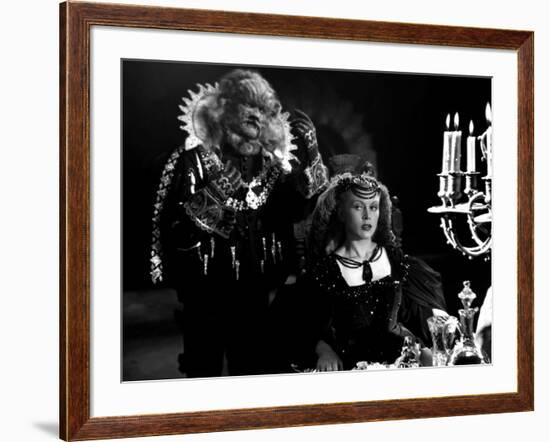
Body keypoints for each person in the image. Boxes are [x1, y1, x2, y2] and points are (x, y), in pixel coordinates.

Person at [149, 69, 329, 377]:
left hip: (257, 296)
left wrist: (312, 149)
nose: (256, 117)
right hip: (204, 296)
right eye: (248, 107)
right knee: (203, 374)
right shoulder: (192, 161)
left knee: (252, 373)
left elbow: (303, 207)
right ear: (224, 112)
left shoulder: (275, 167)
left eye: (261, 110)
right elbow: (174, 231)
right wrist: (213, 197)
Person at [298, 169, 447, 371]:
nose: (367, 215)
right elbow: (305, 325)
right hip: (353, 367)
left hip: (403, 363)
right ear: (341, 213)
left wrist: (432, 341)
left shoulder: (399, 263)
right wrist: (323, 349)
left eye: (373, 207)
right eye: (358, 207)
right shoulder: (324, 271)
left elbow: (426, 317)